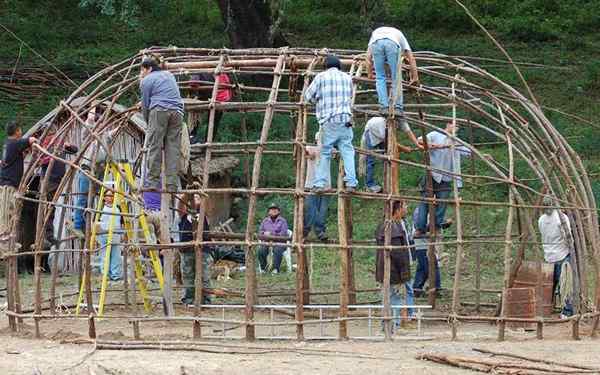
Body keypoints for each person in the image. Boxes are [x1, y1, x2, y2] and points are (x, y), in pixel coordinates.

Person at [304, 55, 357, 193]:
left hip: (329, 121)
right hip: (345, 120)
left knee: (325, 152)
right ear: (339, 65)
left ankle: (320, 184)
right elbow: (350, 95)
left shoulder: (320, 77)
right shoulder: (347, 78)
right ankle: (351, 183)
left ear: (325, 66)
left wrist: (318, 100)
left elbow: (307, 97)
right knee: (347, 151)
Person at [414, 122, 471, 236]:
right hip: (432, 173)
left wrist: (482, 155)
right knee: (426, 200)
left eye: (458, 126)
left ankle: (435, 227)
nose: (456, 128)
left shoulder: (456, 141)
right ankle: (420, 228)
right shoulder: (435, 134)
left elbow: (469, 152)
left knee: (442, 203)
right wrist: (434, 146)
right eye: (455, 125)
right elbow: (419, 140)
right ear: (448, 124)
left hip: (446, 178)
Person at [139, 54, 184, 193]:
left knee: (155, 145)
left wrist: (148, 123)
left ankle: (152, 181)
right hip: (177, 112)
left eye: (142, 70)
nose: (141, 74)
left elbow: (145, 105)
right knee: (173, 147)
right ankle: (171, 184)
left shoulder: (146, 81)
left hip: (159, 111)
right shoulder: (169, 75)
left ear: (148, 69)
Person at [375, 200, 413, 331]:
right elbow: (397, 253)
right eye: (404, 206)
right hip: (393, 271)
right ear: (397, 210)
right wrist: (404, 273)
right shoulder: (393, 227)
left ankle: (387, 325)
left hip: (386, 270)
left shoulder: (384, 225)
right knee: (394, 298)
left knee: (388, 297)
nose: (407, 208)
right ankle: (393, 325)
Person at [39, 124, 78, 248]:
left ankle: (49, 236)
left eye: (53, 134)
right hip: (49, 181)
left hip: (58, 181)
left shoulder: (59, 144)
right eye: (50, 134)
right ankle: (47, 236)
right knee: (48, 209)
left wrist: (68, 146)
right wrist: (52, 154)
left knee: (52, 208)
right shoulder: (44, 146)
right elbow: (41, 161)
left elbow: (75, 150)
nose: (52, 136)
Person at [365, 26, 419, 116]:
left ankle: (384, 107)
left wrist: (369, 73)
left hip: (376, 43)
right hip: (392, 43)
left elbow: (368, 58)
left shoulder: (376, 34)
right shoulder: (401, 37)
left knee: (380, 77)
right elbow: (411, 59)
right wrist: (415, 77)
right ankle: (397, 107)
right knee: (396, 77)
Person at [359, 116, 420, 193]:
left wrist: (418, 145)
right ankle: (369, 185)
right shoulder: (382, 125)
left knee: (387, 159)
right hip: (371, 132)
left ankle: (386, 183)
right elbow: (389, 141)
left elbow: (409, 132)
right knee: (370, 160)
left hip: (383, 136)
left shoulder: (401, 121)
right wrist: (404, 148)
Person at [0, 121, 37, 245]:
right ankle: (4, 240)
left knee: (10, 211)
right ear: (16, 131)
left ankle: (7, 238)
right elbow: (31, 139)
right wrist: (34, 143)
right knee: (7, 211)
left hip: (7, 183)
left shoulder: (8, 144)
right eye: (20, 129)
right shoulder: (15, 143)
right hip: (8, 185)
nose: (21, 131)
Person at [538, 195, 574, 318]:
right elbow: (567, 236)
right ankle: (567, 311)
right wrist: (571, 246)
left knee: (549, 285)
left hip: (548, 256)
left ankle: (545, 309)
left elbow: (543, 235)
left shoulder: (541, 219)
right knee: (566, 284)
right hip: (562, 255)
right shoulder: (561, 218)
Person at [179, 190, 212, 306]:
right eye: (193, 197)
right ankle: (188, 299)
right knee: (188, 275)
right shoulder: (183, 213)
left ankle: (206, 299)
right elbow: (181, 202)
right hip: (187, 249)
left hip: (204, 249)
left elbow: (207, 202)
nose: (195, 199)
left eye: (198, 198)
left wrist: (200, 192)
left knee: (205, 276)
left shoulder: (204, 213)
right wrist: (188, 193)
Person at [189, 72, 233, 144]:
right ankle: (207, 140)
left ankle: (195, 136)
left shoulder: (203, 71)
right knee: (213, 122)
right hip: (220, 99)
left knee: (197, 116)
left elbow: (193, 83)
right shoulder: (224, 74)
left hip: (216, 99)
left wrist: (195, 94)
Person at [303, 131, 330, 241]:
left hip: (326, 185)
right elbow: (309, 153)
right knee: (311, 209)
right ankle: (305, 231)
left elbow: (335, 153)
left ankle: (320, 231)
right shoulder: (311, 148)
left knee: (322, 211)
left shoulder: (328, 149)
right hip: (311, 184)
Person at [411, 205, 441, 297]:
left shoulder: (430, 210)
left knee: (422, 268)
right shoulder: (420, 210)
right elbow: (418, 227)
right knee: (432, 265)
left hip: (426, 243)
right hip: (422, 244)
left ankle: (417, 288)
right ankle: (436, 288)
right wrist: (432, 227)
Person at [96, 190, 122, 281]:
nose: (110, 197)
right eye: (108, 195)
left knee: (116, 256)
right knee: (104, 256)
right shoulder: (100, 209)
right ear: (104, 197)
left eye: (112, 196)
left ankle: (115, 275)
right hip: (104, 235)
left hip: (116, 235)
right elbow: (97, 222)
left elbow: (121, 222)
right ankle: (105, 274)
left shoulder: (118, 208)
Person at [258, 203, 289, 273]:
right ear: (268, 212)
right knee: (261, 250)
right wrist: (264, 233)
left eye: (275, 209)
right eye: (271, 209)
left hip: (280, 242)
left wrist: (271, 234)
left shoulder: (283, 221)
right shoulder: (265, 221)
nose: (273, 210)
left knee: (278, 249)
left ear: (279, 211)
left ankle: (275, 269)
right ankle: (264, 269)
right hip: (267, 242)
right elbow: (260, 233)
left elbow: (284, 234)